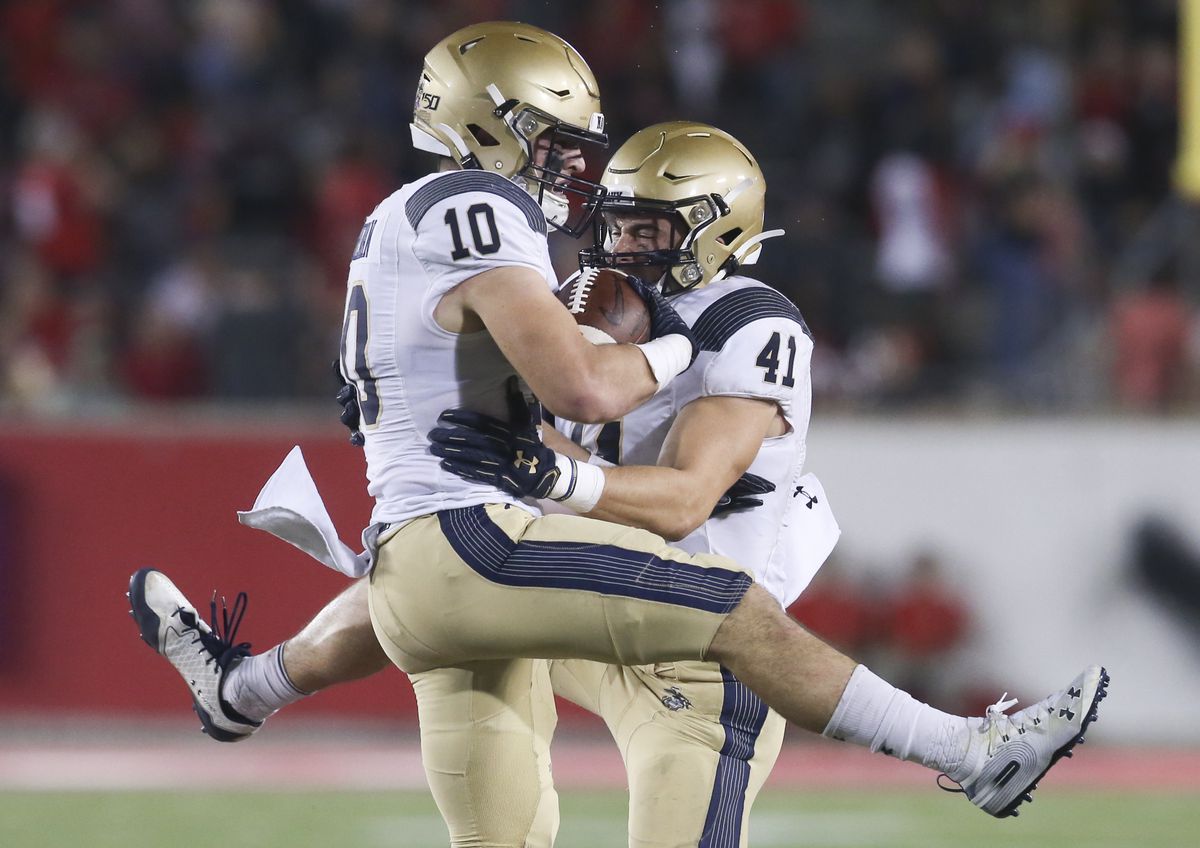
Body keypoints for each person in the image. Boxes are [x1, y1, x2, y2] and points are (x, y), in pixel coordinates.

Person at [128, 21, 1108, 848]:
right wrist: (644, 370)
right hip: (531, 578)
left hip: (498, 597)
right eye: (556, 146)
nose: (609, 226)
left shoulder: (735, 312)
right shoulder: (487, 211)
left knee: (453, 647)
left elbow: (658, 485)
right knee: (719, 607)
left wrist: (558, 465)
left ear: (720, 228)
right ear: (486, 125)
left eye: (651, 226)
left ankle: (242, 688)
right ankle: (969, 752)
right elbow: (583, 389)